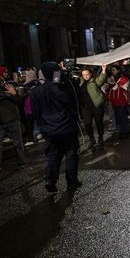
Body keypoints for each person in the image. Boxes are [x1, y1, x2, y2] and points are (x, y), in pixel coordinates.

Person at [30, 61, 81, 193]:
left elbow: (35, 112)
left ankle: (51, 180)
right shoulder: (62, 88)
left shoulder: (36, 91)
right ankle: (71, 181)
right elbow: (73, 102)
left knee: (53, 155)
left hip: (49, 129)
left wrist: (43, 125)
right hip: (66, 127)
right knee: (70, 154)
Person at [78, 65, 107, 152]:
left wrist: (104, 70)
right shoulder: (80, 82)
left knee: (99, 123)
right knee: (87, 124)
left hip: (96, 105)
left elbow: (101, 79)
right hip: (86, 107)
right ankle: (91, 139)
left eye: (87, 74)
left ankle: (100, 138)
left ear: (90, 74)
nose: (86, 76)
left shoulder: (94, 81)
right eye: (84, 75)